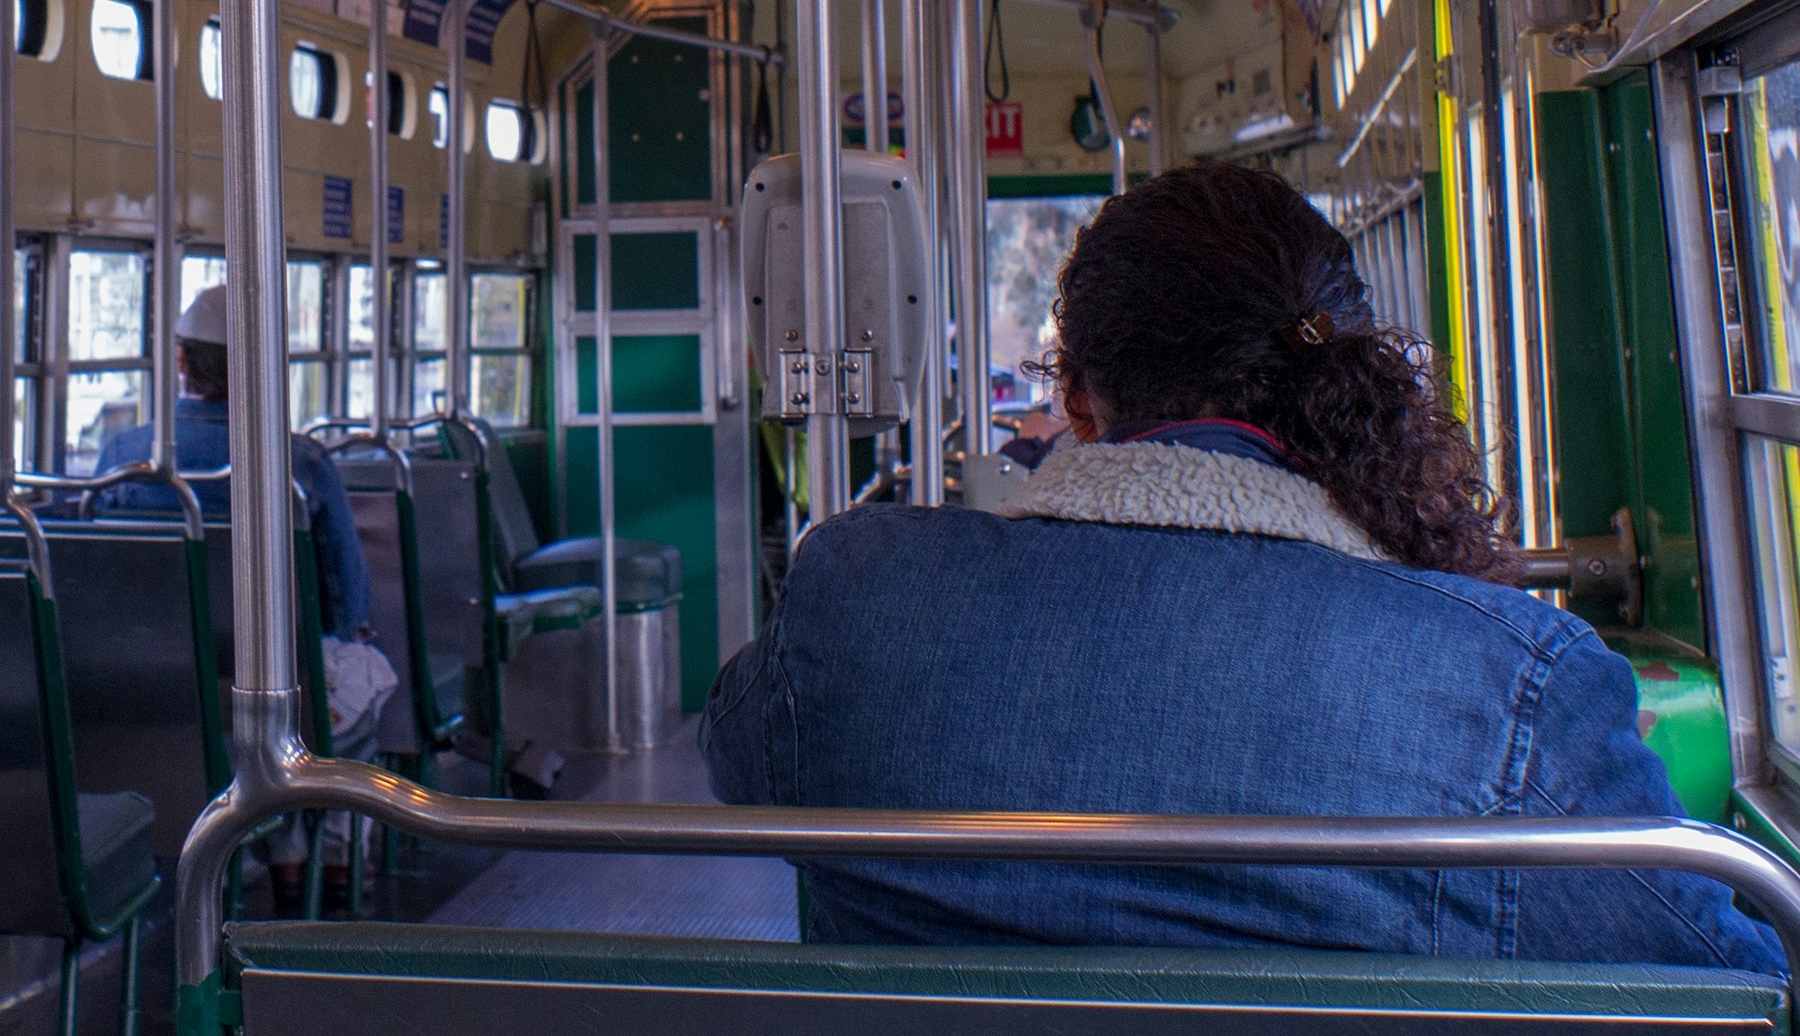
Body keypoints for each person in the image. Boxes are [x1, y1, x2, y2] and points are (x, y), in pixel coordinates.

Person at [703, 162, 1784, 975]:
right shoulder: (1514, 691)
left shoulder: (857, 596)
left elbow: (741, 758)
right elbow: (1728, 985)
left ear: (1075, 394)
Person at [95, 285, 395, 908]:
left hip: (142, 689)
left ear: (181, 363)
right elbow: (348, 599)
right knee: (358, 686)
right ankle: (327, 856)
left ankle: (287, 849)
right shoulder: (299, 462)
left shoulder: (126, 459)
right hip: (274, 689)